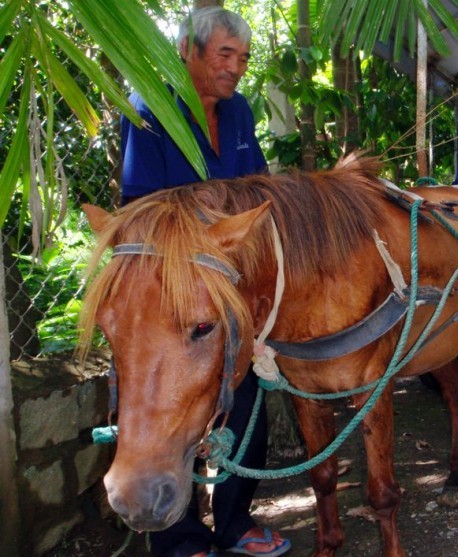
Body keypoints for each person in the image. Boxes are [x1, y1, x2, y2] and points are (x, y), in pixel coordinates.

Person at [119, 7, 290, 557]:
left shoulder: (238, 111)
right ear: (189, 51)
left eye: (242, 58)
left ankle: (235, 524)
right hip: (170, 288)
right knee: (168, 407)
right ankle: (180, 539)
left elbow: (257, 189)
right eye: (225, 54)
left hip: (230, 282)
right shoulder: (151, 109)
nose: (236, 68)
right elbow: (138, 208)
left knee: (247, 401)